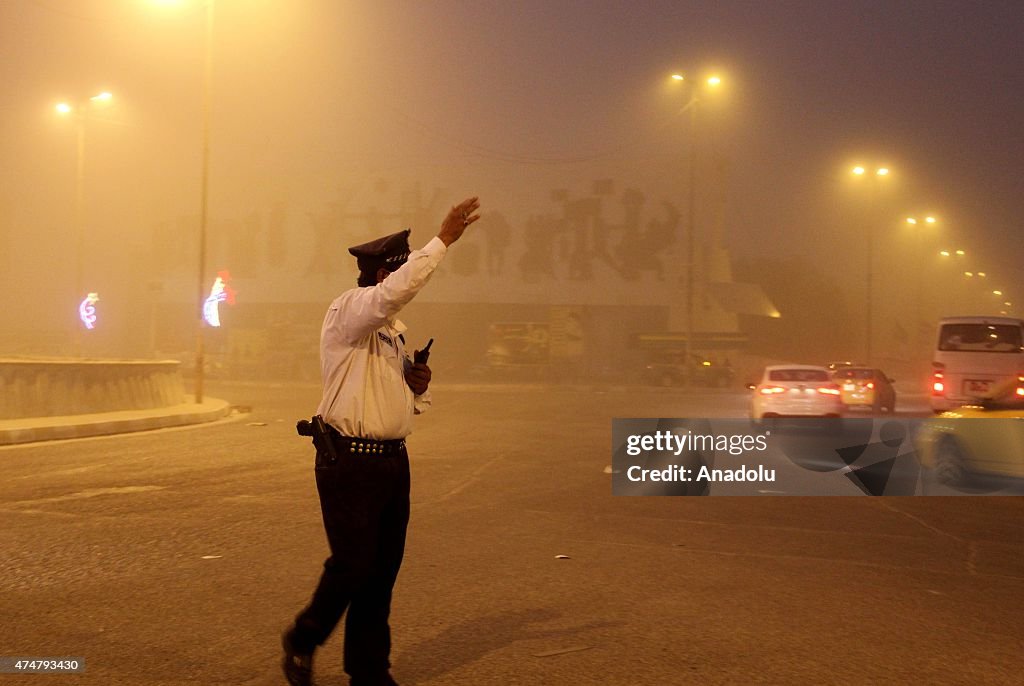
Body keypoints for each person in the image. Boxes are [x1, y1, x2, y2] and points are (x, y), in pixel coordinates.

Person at [282, 197, 482, 686]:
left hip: (392, 463)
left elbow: (382, 398)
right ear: (379, 275)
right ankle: (304, 637)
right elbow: (395, 294)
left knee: (381, 573)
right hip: (348, 461)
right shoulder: (349, 309)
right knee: (352, 565)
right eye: (396, 271)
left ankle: (369, 670)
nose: (402, 281)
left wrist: (416, 386)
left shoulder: (389, 335)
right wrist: (444, 241)